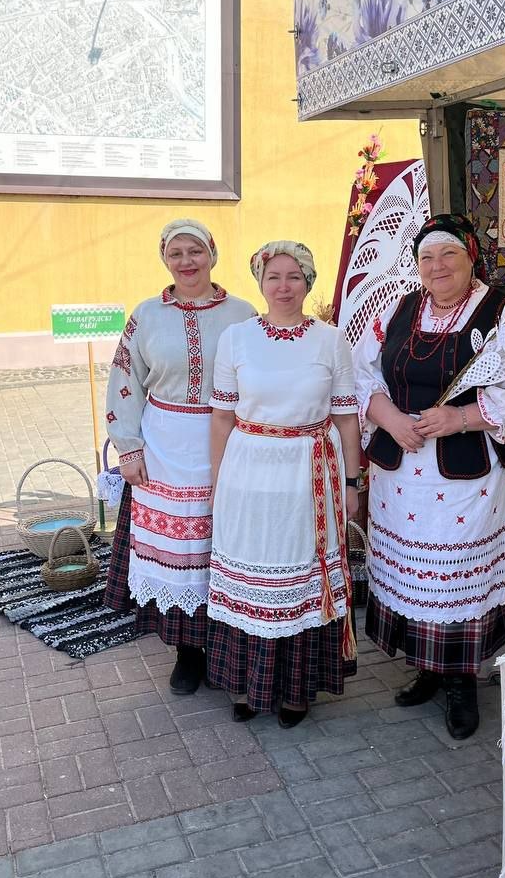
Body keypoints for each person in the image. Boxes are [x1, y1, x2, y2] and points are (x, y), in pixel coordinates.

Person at [353, 212, 505, 740]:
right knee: (413, 573)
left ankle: (461, 678)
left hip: (466, 477)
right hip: (402, 471)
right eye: (427, 258)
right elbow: (361, 371)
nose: (437, 267)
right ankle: (429, 667)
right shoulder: (397, 306)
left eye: (449, 256)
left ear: (470, 259)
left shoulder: (504, 315)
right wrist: (391, 419)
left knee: (457, 571)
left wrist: (459, 417)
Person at [206, 241, 361, 728]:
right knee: (252, 579)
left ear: (308, 282)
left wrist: (352, 483)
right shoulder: (235, 338)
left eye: (294, 276)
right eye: (274, 276)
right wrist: (218, 487)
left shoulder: (332, 341)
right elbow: (221, 419)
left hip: (309, 476)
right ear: (260, 282)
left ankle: (296, 691)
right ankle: (248, 686)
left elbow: (346, 419)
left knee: (299, 583)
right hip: (249, 473)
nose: (284, 286)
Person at [104, 220, 255, 694]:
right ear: (165, 259)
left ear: (213, 253)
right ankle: (187, 652)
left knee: (222, 546)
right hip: (164, 444)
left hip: (227, 437)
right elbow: (123, 379)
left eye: (196, 251)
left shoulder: (244, 313)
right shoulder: (146, 315)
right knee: (176, 553)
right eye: (176, 253)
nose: (186, 261)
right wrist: (127, 446)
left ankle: (224, 645)